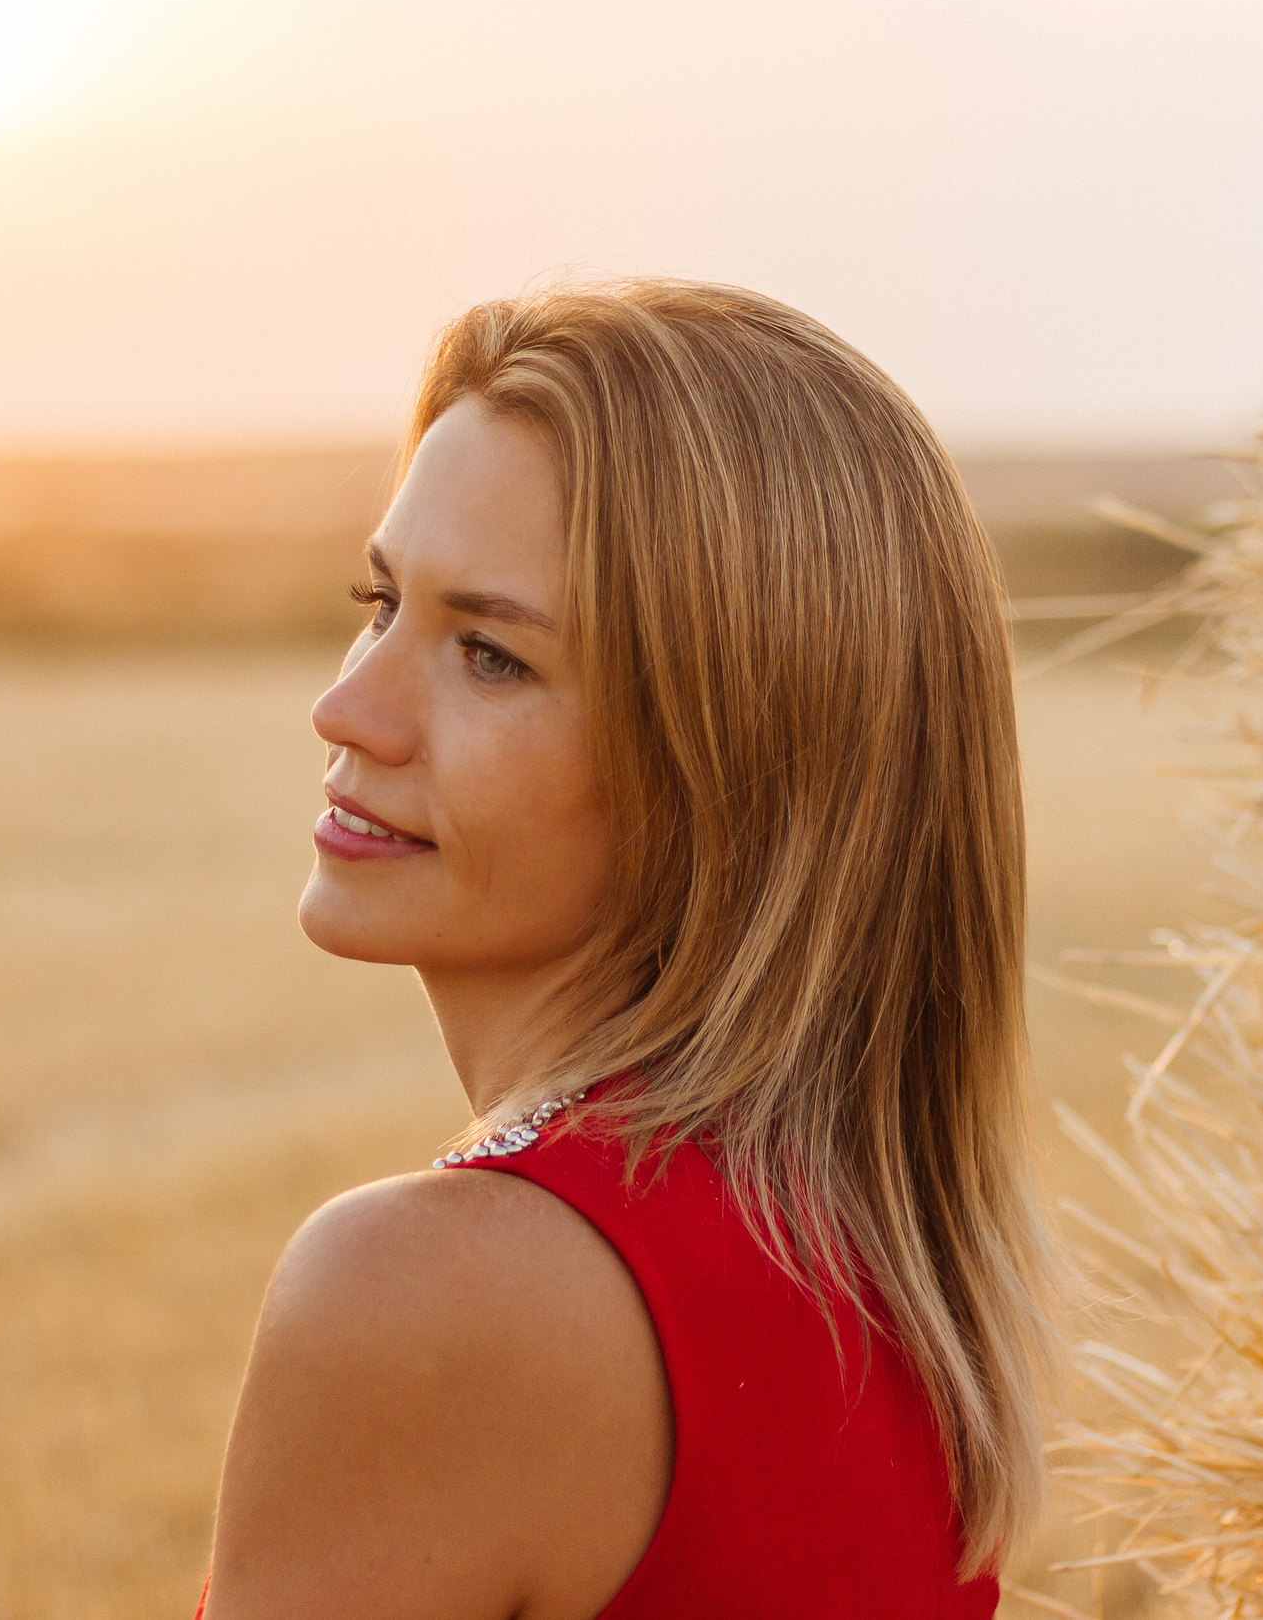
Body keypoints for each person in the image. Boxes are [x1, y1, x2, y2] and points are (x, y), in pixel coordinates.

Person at [198, 280, 1058, 1618]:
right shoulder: (884, 1286)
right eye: (381, 605)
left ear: (733, 768)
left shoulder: (425, 1296)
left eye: (490, 655)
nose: (348, 706)